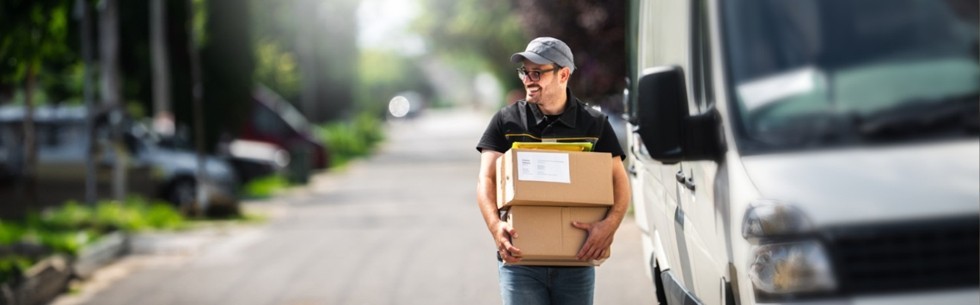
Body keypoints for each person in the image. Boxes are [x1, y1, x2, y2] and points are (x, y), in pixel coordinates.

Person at [475, 37, 631, 305]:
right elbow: (486, 180)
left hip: (576, 262)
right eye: (525, 72)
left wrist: (609, 226)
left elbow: (620, 182)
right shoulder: (506, 120)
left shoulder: (594, 123)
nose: (528, 79)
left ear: (564, 74)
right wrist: (495, 225)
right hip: (519, 261)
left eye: (537, 72)